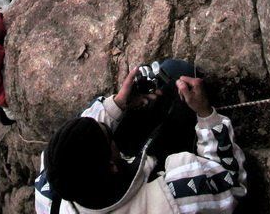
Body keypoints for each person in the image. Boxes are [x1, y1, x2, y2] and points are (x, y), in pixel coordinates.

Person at [34, 64, 246, 213]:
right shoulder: (174, 195)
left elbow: (69, 148)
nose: (106, 126)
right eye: (107, 134)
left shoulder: (50, 194)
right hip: (162, 190)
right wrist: (206, 116)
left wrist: (118, 103)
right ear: (111, 166)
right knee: (176, 73)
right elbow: (231, 184)